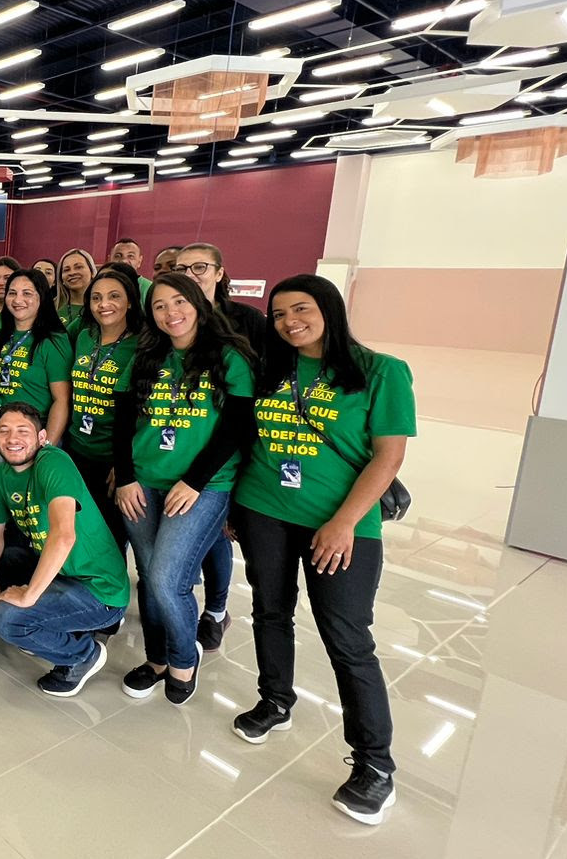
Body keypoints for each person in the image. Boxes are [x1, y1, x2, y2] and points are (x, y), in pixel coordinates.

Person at [230, 274, 414, 826]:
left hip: (341, 523)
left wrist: (344, 522)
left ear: (330, 309)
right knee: (270, 611)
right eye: (280, 313)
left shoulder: (381, 371)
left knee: (348, 638)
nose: (290, 322)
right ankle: (275, 700)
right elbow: (250, 438)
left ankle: (375, 763)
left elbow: (388, 457)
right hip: (264, 509)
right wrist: (237, 508)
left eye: (302, 309)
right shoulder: (271, 369)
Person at [112, 274, 255, 706]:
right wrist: (125, 478)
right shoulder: (145, 356)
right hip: (143, 482)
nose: (170, 312)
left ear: (197, 303)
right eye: (159, 306)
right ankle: (156, 659)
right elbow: (122, 420)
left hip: (202, 486)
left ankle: (182, 658)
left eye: (178, 302)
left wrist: (194, 481)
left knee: (167, 579)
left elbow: (236, 427)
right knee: (149, 576)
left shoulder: (229, 356)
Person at [0, 403, 128, 697]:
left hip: (100, 591)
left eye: (22, 431)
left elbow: (63, 536)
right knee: (6, 559)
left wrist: (28, 595)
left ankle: (84, 656)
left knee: (8, 619)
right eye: (4, 431)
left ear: (42, 437)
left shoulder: (53, 461)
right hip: (62, 575)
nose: (12, 439)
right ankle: (56, 624)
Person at [175, 241, 269, 649]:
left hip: (230, 451)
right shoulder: (170, 320)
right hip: (179, 445)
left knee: (218, 534)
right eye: (181, 268)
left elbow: (257, 390)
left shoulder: (245, 320)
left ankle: (215, 610)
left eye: (199, 267)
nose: (190, 274)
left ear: (218, 272)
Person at [65, 265, 145, 548]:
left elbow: (143, 410)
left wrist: (123, 464)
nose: (104, 304)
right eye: (96, 298)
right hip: (77, 450)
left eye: (114, 296)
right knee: (79, 533)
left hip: (112, 457)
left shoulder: (142, 343)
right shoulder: (84, 336)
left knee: (111, 539)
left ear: (130, 301)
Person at [0, 268, 72, 447]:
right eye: (12, 293)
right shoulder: (2, 336)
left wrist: (46, 447)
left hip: (35, 431)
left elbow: (62, 400)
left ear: (41, 297)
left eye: (27, 293)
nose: (17, 300)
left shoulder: (54, 340)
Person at [56, 248, 96, 337]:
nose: (72, 273)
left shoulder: (102, 307)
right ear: (61, 279)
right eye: (66, 270)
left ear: (92, 272)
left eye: (78, 267)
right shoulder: (52, 307)